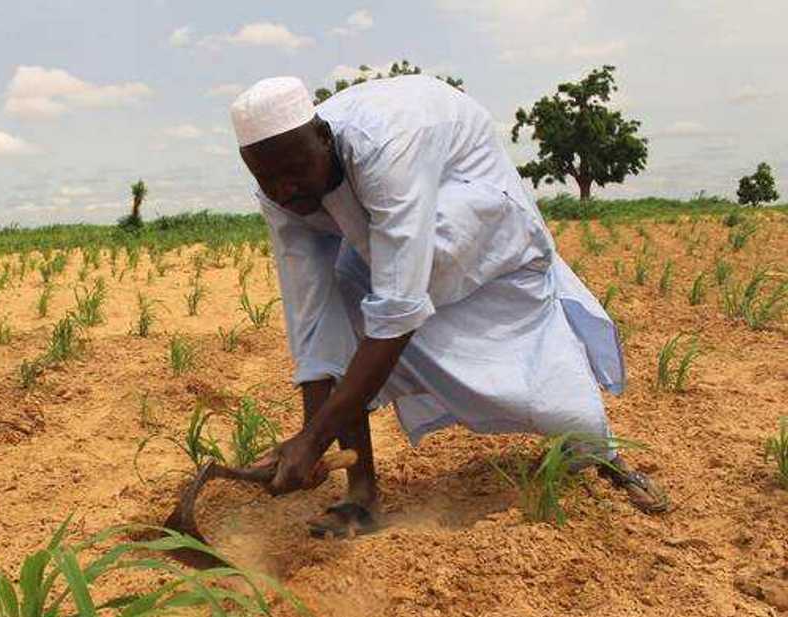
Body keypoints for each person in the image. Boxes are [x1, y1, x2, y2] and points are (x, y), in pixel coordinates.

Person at [229, 75, 667, 537]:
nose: (284, 190)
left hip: (475, 220)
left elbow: (397, 307)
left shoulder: (386, 146)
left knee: (555, 398)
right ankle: (361, 496)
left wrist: (314, 439)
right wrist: (310, 435)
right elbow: (312, 314)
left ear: (324, 136)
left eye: (295, 170)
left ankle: (602, 452)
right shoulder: (281, 196)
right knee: (345, 291)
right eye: (267, 179)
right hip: (392, 249)